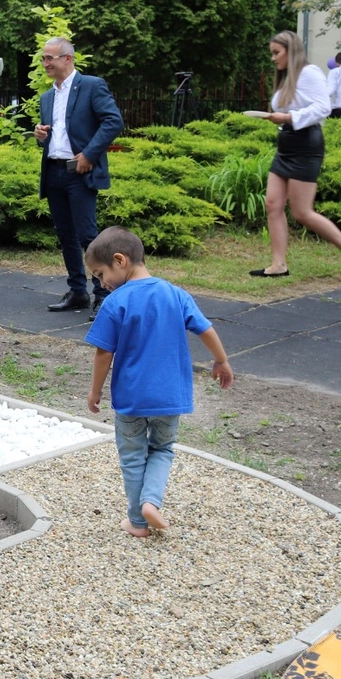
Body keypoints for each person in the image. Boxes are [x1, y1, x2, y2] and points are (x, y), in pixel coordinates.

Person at [84, 227, 234, 538]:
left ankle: (138, 521)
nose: (101, 283)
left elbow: (103, 353)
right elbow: (205, 329)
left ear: (120, 260)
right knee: (163, 449)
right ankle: (152, 501)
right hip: (169, 397)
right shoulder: (176, 294)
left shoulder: (115, 302)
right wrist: (220, 360)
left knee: (132, 455)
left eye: (101, 274)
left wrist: (95, 391)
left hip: (130, 400)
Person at [249, 31, 341, 280]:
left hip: (306, 145)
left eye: (276, 53)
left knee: (302, 212)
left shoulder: (310, 72)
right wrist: (278, 118)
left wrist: (289, 117)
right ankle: (279, 264)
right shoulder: (287, 77)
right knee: (272, 204)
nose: (273, 58)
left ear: (291, 51)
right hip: (286, 145)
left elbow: (324, 107)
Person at [34, 37, 124, 318]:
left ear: (68, 59)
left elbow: (114, 121)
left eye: (50, 58)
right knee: (65, 235)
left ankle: (103, 294)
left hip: (79, 172)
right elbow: (55, 136)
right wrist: (41, 137)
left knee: (88, 235)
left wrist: (89, 155)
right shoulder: (47, 97)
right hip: (54, 171)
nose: (46, 63)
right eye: (44, 58)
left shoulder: (91, 86)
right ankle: (77, 292)